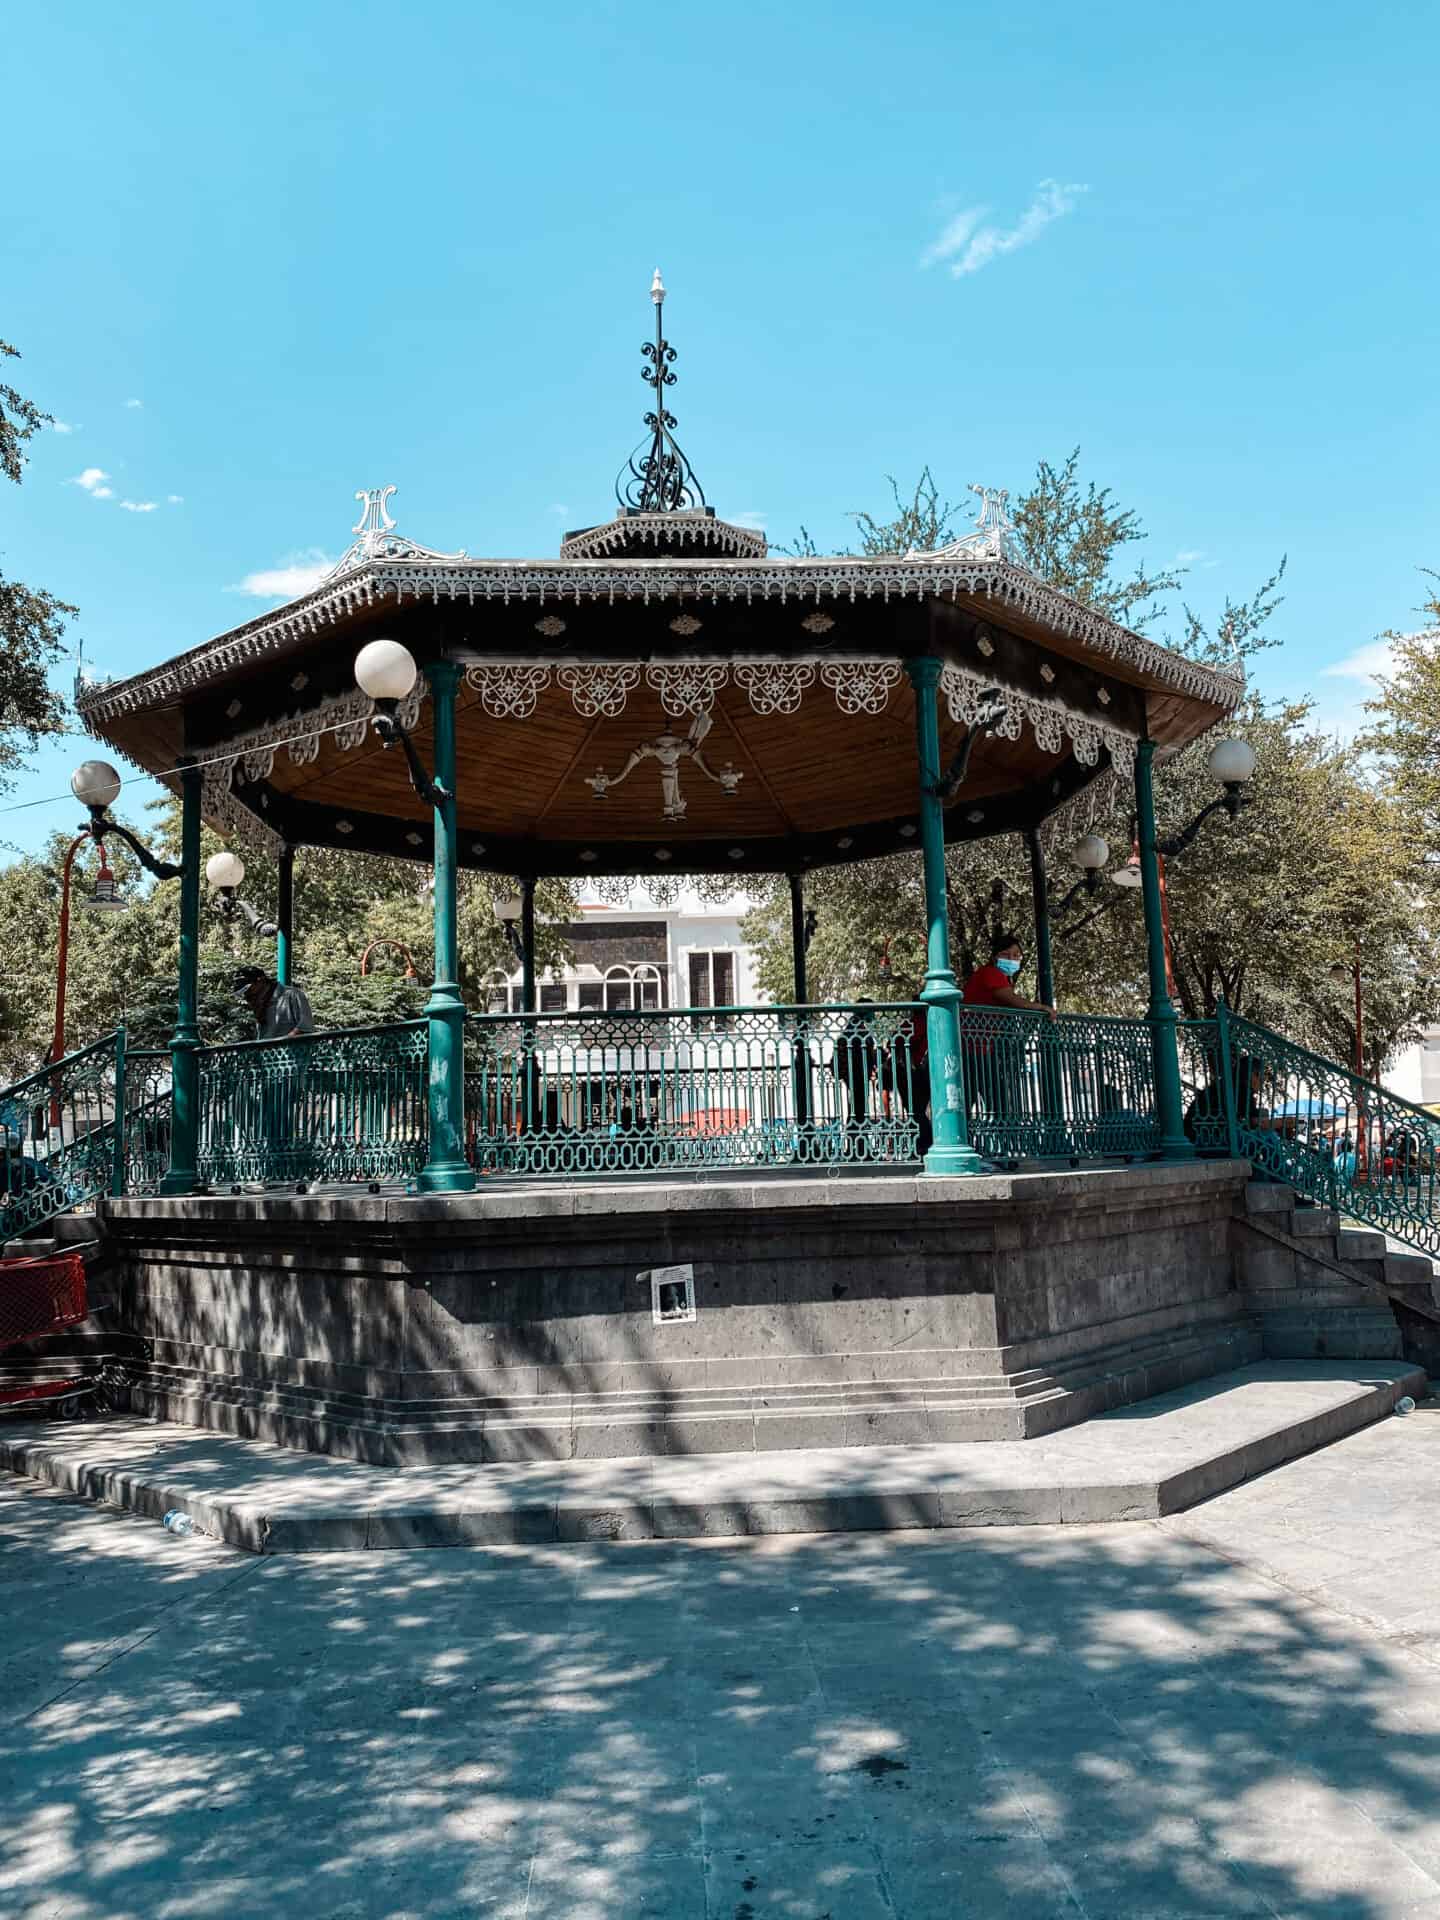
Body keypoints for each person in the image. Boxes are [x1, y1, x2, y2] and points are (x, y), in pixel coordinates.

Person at [960, 933, 1055, 1152]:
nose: (1012, 959)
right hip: (975, 1046)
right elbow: (1010, 1000)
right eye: (1007, 954)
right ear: (995, 957)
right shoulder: (990, 973)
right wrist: (1040, 1007)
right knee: (994, 1099)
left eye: (1016, 955)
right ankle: (1000, 1148)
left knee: (989, 1098)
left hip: (983, 1046)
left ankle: (1001, 1147)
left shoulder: (997, 976)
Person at [232, 965, 314, 1040]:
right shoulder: (257, 1003)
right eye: (243, 993)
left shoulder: (291, 995)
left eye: (248, 989)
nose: (246, 994)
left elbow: (305, 1027)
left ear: (261, 981)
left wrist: (279, 1044)